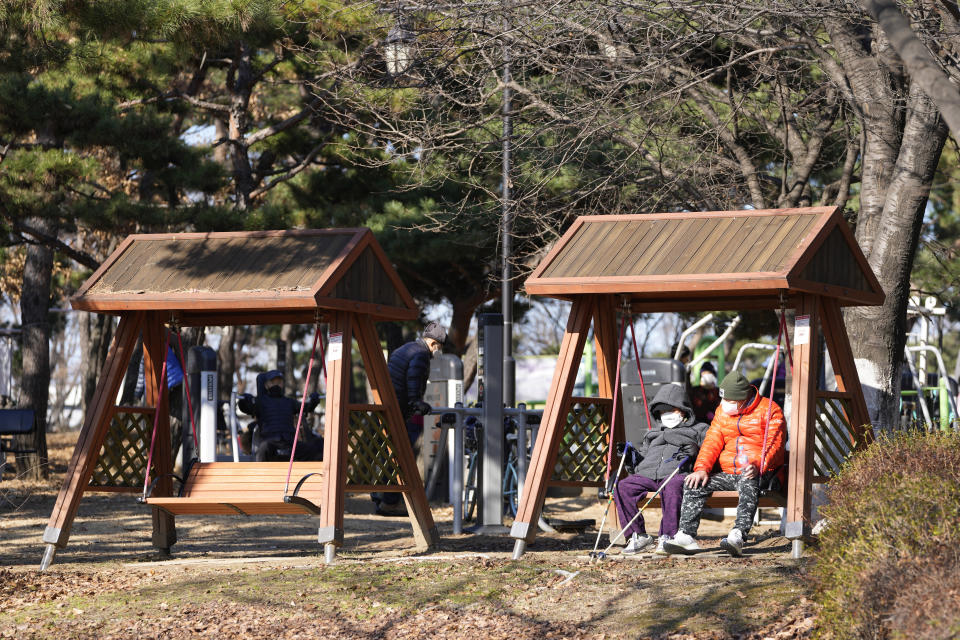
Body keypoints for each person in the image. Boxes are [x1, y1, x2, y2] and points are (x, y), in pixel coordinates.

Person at [664, 371, 785, 557]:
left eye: (730, 399)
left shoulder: (770, 410)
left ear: (743, 398)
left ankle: (738, 535)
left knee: (748, 480)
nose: (725, 403)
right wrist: (702, 469)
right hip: (729, 471)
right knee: (694, 483)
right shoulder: (722, 412)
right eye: (724, 399)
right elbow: (712, 441)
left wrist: (757, 464)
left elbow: (775, 445)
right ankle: (686, 536)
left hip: (759, 471)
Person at [612, 384, 709, 555]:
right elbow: (639, 462)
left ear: (683, 410)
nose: (667, 415)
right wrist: (630, 456)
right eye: (662, 412)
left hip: (676, 472)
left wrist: (695, 453)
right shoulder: (652, 434)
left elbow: (710, 452)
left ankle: (668, 536)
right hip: (648, 474)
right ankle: (637, 535)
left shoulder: (699, 430)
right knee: (623, 487)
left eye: (671, 410)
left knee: (673, 486)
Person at [374, 321, 447, 516]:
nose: (438, 350)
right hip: (400, 408)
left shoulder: (406, 348)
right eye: (439, 346)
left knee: (389, 454)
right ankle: (390, 502)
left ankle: (381, 496)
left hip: (389, 406)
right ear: (433, 343)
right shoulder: (421, 354)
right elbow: (413, 378)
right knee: (402, 455)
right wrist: (416, 402)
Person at [237, 370, 323, 462]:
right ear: (267, 384)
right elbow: (246, 409)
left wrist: (314, 401)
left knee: (316, 448)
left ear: (282, 384)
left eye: (279, 382)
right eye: (274, 382)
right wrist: (243, 401)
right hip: (271, 442)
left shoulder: (289, 402)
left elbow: (306, 408)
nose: (277, 384)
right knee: (263, 449)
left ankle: (313, 474)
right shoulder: (260, 402)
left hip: (289, 443)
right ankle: (261, 474)